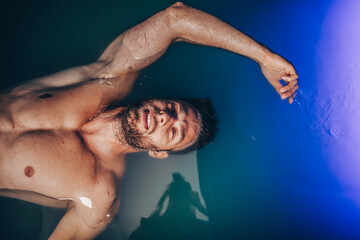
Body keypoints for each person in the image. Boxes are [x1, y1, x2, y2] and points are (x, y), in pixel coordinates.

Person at [0, 2, 298, 239]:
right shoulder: (106, 78)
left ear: (157, 152)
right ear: (159, 98)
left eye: (174, 132)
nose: (165, 118)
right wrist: (263, 57)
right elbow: (175, 19)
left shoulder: (98, 194)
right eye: (172, 108)